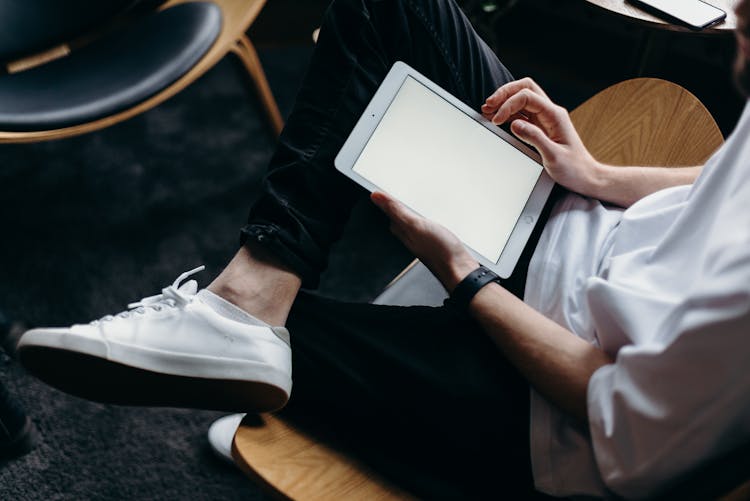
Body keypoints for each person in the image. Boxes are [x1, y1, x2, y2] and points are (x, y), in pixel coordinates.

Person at [16, 0, 750, 498]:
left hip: (547, 424)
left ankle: (254, 326)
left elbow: (623, 428)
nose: (738, 10)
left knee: (289, 345)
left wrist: (463, 275)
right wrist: (594, 176)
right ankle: (247, 304)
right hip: (588, 245)